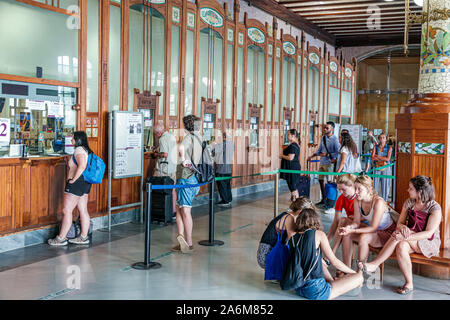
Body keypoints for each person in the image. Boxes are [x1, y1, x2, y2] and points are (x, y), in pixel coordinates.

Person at [359, 175, 442, 295]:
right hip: (409, 236)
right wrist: (403, 228)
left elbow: (428, 233)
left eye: (411, 188)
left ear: (420, 191)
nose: (408, 190)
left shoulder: (434, 208)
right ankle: (409, 283)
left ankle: (374, 264)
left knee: (399, 237)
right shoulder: (409, 202)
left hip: (427, 241)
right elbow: (400, 223)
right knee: (401, 246)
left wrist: (404, 235)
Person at [290, 208, 363, 300]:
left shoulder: (293, 237)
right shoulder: (318, 234)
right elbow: (334, 261)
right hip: (316, 290)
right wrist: (354, 273)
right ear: (316, 220)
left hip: (299, 287)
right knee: (359, 277)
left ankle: (334, 284)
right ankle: (333, 287)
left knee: (322, 263)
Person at [339, 175, 396, 269]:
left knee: (364, 237)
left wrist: (353, 231)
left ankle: (360, 273)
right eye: (355, 188)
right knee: (347, 234)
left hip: (387, 233)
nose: (356, 192)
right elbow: (356, 223)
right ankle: (346, 269)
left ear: (369, 189)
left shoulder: (378, 202)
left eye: (359, 189)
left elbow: (373, 227)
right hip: (375, 231)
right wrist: (349, 228)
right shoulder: (358, 200)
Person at [48, 131, 93, 246]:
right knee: (83, 210)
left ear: (78, 140)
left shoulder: (78, 150)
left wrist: (73, 180)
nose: (71, 140)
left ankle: (61, 238)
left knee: (67, 210)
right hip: (85, 182)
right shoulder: (86, 150)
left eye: (72, 138)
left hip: (77, 182)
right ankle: (83, 237)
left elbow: (82, 166)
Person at [171, 115, 203, 254]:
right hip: (193, 177)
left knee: (185, 210)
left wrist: (183, 159)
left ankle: (188, 243)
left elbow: (181, 148)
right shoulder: (199, 137)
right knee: (179, 208)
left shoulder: (188, 138)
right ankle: (182, 240)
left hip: (186, 177)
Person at [257, 197, 315, 269]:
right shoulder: (289, 218)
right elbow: (293, 242)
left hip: (269, 252)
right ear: (300, 212)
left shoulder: (290, 215)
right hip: (266, 256)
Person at [307, 122, 340, 206]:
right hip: (322, 162)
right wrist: (312, 156)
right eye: (325, 127)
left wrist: (328, 155)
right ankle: (323, 198)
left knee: (329, 182)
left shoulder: (335, 140)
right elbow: (320, 149)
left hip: (329, 164)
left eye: (327, 128)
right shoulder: (323, 138)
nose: (325, 129)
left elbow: (338, 152)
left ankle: (330, 200)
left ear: (332, 129)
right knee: (320, 180)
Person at [327, 174, 357, 260]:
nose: (341, 192)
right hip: (348, 225)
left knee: (344, 220)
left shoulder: (359, 197)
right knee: (343, 221)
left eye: (343, 189)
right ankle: (332, 253)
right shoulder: (341, 198)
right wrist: (328, 239)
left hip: (361, 225)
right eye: (339, 189)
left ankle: (331, 254)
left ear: (352, 186)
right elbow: (336, 221)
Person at [152, 122, 177, 218]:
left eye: (155, 133)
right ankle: (173, 212)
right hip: (172, 168)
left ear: (158, 133)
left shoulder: (162, 139)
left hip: (163, 169)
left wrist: (156, 155)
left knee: (156, 190)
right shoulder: (171, 136)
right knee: (173, 190)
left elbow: (164, 154)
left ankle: (160, 212)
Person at [212, 131, 235, 207]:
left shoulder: (221, 145)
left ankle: (224, 201)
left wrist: (214, 145)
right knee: (227, 185)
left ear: (224, 137)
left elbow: (213, 151)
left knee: (222, 186)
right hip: (228, 168)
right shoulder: (232, 144)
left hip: (221, 169)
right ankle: (229, 199)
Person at [279, 129, 302, 202]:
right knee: (293, 187)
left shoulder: (293, 146)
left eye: (288, 134)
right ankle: (295, 203)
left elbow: (290, 158)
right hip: (292, 168)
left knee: (293, 187)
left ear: (292, 135)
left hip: (292, 169)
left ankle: (296, 204)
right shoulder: (294, 145)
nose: (287, 136)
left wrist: (281, 155)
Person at [371, 132, 393, 201]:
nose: (382, 139)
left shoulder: (389, 147)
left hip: (386, 168)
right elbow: (372, 157)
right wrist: (382, 158)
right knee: (375, 184)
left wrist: (378, 156)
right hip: (376, 167)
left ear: (386, 139)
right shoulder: (376, 146)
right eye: (380, 138)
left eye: (383, 138)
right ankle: (374, 200)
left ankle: (384, 201)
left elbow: (388, 159)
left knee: (385, 185)